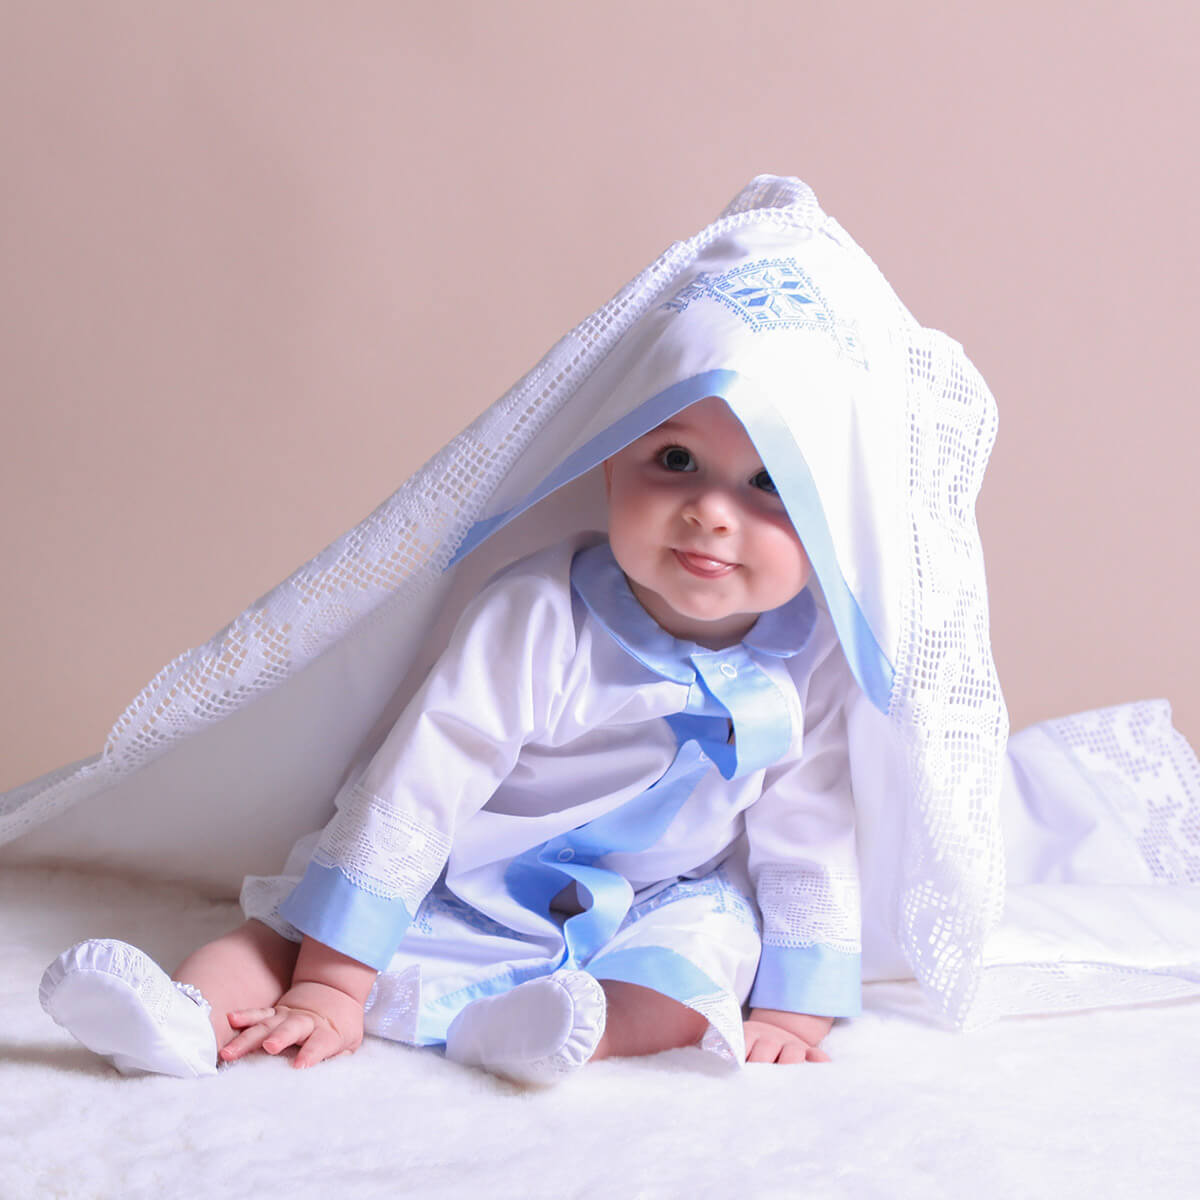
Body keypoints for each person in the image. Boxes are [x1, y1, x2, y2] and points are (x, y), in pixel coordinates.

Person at [40, 394, 860, 1085]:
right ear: (612, 466)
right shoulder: (541, 613)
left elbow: (810, 826)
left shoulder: (814, 659)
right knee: (278, 939)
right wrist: (332, 982)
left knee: (699, 968)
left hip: (653, 898)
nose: (711, 512)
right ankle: (181, 1021)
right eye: (676, 461)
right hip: (459, 872)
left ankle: (550, 1034)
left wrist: (795, 1007)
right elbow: (425, 778)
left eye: (767, 483)